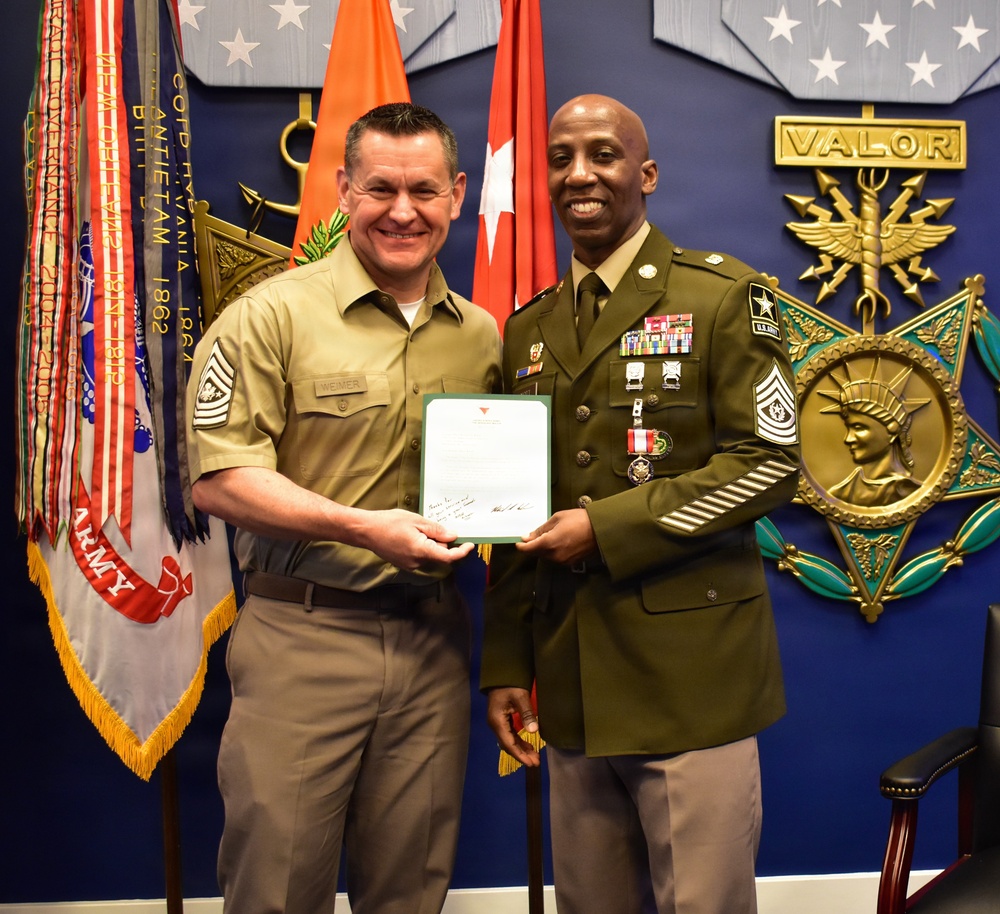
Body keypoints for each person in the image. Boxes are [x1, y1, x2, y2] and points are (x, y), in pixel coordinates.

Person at [480, 94, 801, 914]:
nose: (579, 174)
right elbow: (521, 504)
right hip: (572, 677)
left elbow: (770, 464)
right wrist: (509, 662)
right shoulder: (528, 329)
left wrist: (608, 526)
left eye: (603, 154)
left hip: (690, 679)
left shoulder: (725, 297)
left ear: (646, 174)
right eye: (559, 158)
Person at [186, 102, 502, 914]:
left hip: (433, 644)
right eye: (381, 189)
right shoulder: (268, 317)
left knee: (411, 891)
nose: (404, 211)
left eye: (425, 190)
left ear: (458, 194)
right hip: (305, 639)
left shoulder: (483, 336)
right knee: (277, 888)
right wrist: (362, 528)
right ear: (343, 191)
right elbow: (219, 478)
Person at [821, 360, 927, 507]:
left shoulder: (911, 494)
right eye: (848, 428)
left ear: (892, 429)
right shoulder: (840, 493)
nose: (848, 438)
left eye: (858, 427)